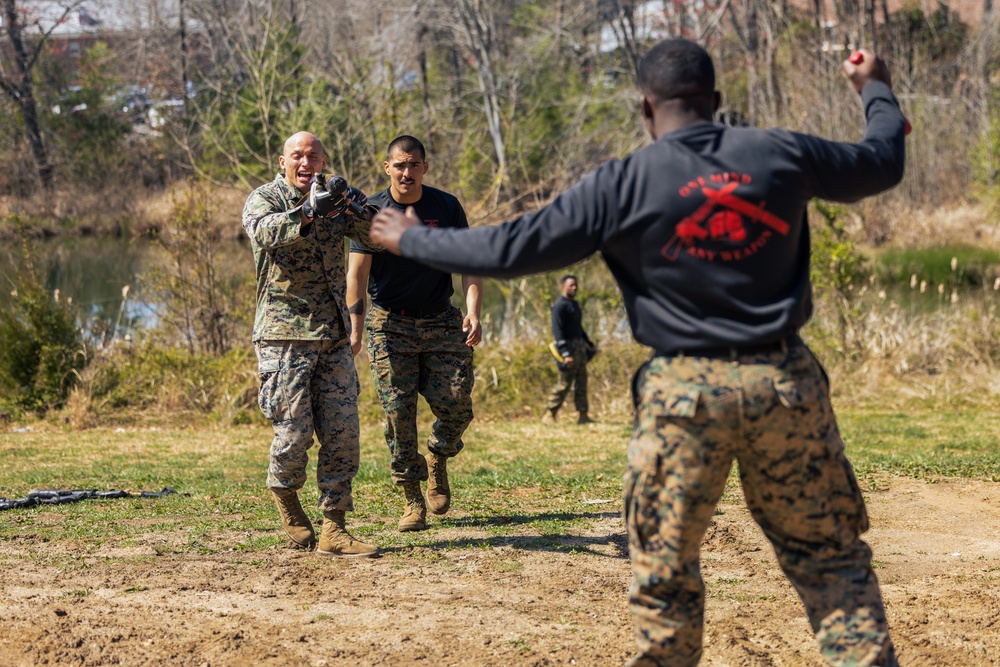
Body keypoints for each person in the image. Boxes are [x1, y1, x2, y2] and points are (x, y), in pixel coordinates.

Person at [369, 39, 905, 666]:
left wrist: (412, 239)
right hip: (784, 383)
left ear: (646, 108)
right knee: (834, 569)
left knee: (665, 587)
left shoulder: (623, 182)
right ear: (718, 102)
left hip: (682, 398)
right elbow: (883, 159)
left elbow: (509, 249)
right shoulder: (780, 152)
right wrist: (875, 86)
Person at [242, 131, 380, 558]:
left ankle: (335, 527)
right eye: (297, 156)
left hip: (333, 334)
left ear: (323, 161)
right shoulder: (264, 199)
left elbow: (376, 237)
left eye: (314, 156)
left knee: (343, 433)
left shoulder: (333, 197)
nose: (306, 163)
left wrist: (357, 205)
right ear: (282, 161)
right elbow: (265, 233)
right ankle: (285, 495)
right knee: (294, 433)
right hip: (284, 337)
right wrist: (306, 213)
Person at [346, 135, 482, 533]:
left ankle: (439, 454)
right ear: (387, 167)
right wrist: (356, 326)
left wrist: (473, 311)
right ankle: (411, 499)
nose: (407, 172)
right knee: (397, 416)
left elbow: (469, 261)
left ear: (425, 167)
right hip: (390, 324)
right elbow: (356, 274)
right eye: (400, 165)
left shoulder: (446, 206)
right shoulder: (372, 210)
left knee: (457, 404)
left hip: (441, 319)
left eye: (414, 165)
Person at [544, 274, 597, 424]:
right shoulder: (560, 306)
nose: (574, 288)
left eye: (576, 285)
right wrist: (565, 353)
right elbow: (557, 330)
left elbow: (578, 328)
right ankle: (549, 414)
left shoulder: (575, 305)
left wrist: (589, 343)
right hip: (566, 347)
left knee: (582, 381)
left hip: (579, 346)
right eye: (571, 285)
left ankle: (583, 415)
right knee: (564, 382)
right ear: (563, 287)